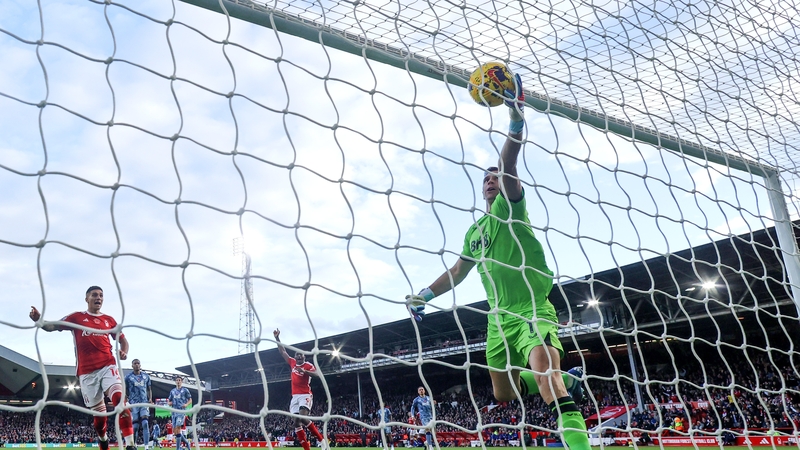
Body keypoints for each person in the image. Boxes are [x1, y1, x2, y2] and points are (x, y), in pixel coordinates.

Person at [404, 73, 591, 450]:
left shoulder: (510, 209)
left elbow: (508, 163)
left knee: (547, 381)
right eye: (486, 179)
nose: (491, 181)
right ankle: (568, 380)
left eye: (495, 177)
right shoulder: (475, 232)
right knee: (503, 394)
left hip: (532, 309)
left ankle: (568, 407)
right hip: (497, 318)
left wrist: (515, 118)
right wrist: (423, 294)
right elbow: (457, 271)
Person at [28, 286, 136, 450]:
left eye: (101, 295)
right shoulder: (77, 318)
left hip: (108, 365)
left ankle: (130, 445)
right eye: (94, 295)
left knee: (120, 400)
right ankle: (103, 439)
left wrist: (124, 351)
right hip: (87, 374)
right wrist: (39, 320)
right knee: (100, 420)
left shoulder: (109, 320)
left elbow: (124, 341)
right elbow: (52, 327)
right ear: (87, 299)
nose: (98, 298)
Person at [274, 329, 328, 450]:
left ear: (304, 356)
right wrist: (277, 338)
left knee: (303, 418)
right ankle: (306, 449)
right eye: (297, 355)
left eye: (301, 354)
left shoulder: (308, 365)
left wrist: (305, 371)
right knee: (296, 423)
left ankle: (322, 440)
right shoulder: (292, 363)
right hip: (295, 396)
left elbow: (317, 374)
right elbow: (282, 351)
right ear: (295, 357)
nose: (299, 356)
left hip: (305, 395)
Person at [125, 359, 153, 449]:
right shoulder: (128, 377)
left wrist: (150, 399)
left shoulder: (146, 376)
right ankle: (134, 445)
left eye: (138, 363)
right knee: (135, 426)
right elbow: (124, 389)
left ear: (140, 365)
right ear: (132, 365)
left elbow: (149, 389)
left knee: (145, 423)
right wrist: (127, 401)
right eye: (135, 363)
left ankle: (146, 447)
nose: (137, 365)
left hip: (144, 402)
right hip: (133, 404)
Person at [168, 377, 192, 450]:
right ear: (175, 382)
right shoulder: (172, 391)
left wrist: (186, 404)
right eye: (177, 380)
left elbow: (190, 399)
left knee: (178, 427)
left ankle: (178, 448)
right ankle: (187, 442)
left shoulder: (185, 390)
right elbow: (169, 401)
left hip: (181, 411)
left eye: (179, 380)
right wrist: (170, 403)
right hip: (174, 412)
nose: (178, 381)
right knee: (175, 432)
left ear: (181, 382)